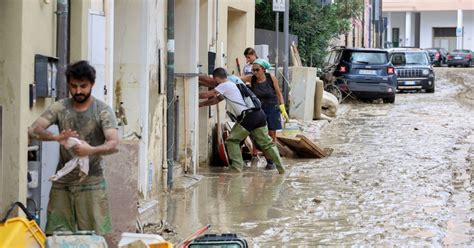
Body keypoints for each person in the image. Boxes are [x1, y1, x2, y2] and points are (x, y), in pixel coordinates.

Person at [28, 60, 119, 235]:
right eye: (74, 86)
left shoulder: (103, 110)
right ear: (68, 84)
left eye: (83, 86)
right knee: (58, 236)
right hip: (63, 184)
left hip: (92, 182)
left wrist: (90, 150)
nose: (78, 91)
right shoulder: (60, 107)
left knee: (94, 237)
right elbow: (34, 129)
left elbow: (113, 144)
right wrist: (56, 137)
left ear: (92, 84)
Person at [199, 67, 285, 174]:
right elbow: (216, 100)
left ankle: (236, 169)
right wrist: (201, 104)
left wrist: (192, 95)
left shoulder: (225, 85)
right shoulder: (234, 86)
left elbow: (208, 94)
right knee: (267, 143)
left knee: (232, 140)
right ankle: (281, 169)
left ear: (216, 78)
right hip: (259, 113)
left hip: (249, 117)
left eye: (214, 80)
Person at [241, 58, 289, 169]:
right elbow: (239, 79)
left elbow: (278, 93)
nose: (255, 72)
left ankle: (271, 161)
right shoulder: (251, 79)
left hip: (272, 108)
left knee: (272, 135)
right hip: (259, 110)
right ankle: (259, 155)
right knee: (259, 134)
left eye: (257, 70)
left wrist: (282, 108)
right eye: (253, 70)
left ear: (263, 69)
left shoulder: (271, 78)